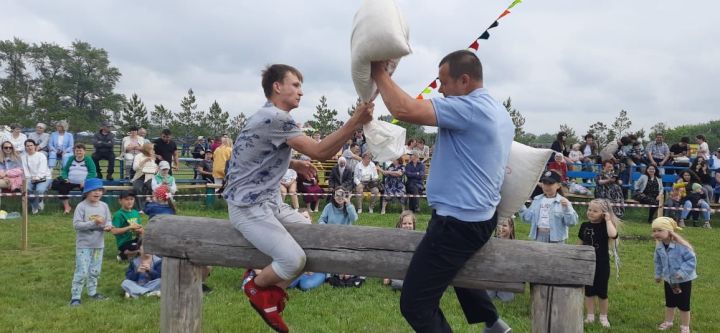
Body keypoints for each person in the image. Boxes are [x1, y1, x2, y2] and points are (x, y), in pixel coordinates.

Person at [371, 50, 513, 332]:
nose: (440, 90)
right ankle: (492, 322)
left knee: (414, 304)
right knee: (454, 267)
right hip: (480, 217)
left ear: (464, 80)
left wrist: (378, 72)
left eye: (443, 83)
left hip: (456, 223)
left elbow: (404, 110)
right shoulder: (498, 110)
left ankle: (492, 322)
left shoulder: (468, 108)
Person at [224, 64, 373, 333]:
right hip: (248, 207)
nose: (301, 92)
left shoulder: (265, 115)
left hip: (269, 202)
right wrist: (355, 122)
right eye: (295, 85)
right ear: (277, 87)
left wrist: (292, 163)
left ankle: (271, 296)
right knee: (292, 261)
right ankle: (255, 287)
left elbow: (255, 156)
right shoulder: (278, 118)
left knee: (311, 237)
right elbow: (320, 152)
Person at [68, 178, 112, 306]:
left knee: (95, 271)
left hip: (98, 245)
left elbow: (108, 220)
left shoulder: (104, 206)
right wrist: (94, 223)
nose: (97, 193)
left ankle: (92, 292)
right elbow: (76, 225)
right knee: (82, 271)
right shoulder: (82, 206)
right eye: (93, 190)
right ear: (86, 192)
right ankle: (76, 296)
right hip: (84, 245)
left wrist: (108, 226)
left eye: (99, 190)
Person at [579, 199, 620, 328]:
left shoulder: (606, 226)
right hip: (586, 263)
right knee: (589, 291)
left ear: (604, 213)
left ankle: (603, 316)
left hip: (601, 263)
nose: (590, 213)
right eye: (589, 209)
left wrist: (608, 220)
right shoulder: (584, 225)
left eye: (595, 211)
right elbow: (580, 242)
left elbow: (613, 235)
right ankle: (590, 315)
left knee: (602, 292)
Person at [652, 217, 697, 333]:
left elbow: (691, 260)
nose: (656, 233)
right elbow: (658, 262)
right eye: (654, 230)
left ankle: (685, 326)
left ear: (669, 231)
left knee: (683, 304)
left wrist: (682, 273)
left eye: (659, 230)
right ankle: (668, 322)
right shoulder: (659, 246)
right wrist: (658, 275)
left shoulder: (681, 246)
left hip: (683, 280)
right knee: (670, 303)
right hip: (669, 280)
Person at [520, 170, 578, 242]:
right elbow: (527, 218)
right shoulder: (537, 200)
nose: (546, 186)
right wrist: (520, 205)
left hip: (557, 239)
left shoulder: (564, 202)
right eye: (544, 183)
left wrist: (567, 209)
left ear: (558, 185)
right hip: (538, 237)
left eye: (550, 183)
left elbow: (571, 223)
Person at [52, 144, 97, 214]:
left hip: (83, 182)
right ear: (74, 151)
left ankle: (83, 209)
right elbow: (65, 170)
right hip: (70, 181)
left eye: (80, 151)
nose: (78, 152)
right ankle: (67, 207)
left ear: (84, 151)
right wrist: (65, 178)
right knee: (62, 187)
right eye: (77, 151)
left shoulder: (88, 159)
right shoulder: (71, 158)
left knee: (88, 190)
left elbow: (93, 172)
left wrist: (85, 181)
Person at [383, 210, 417, 291]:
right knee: (397, 283)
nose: (407, 226)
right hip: (398, 270)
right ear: (400, 225)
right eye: (404, 224)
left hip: (411, 270)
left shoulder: (416, 239)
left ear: (414, 225)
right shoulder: (395, 240)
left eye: (409, 223)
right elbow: (389, 259)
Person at [486, 217, 516, 302]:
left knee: (506, 298)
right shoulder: (491, 242)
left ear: (511, 228)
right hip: (490, 278)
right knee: (487, 296)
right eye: (499, 225)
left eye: (504, 225)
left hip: (506, 280)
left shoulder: (514, 246)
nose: (501, 228)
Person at [21, 139, 53, 214]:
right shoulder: (24, 157)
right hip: (31, 178)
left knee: (39, 190)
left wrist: (37, 177)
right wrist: (29, 179)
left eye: (31, 145)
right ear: (25, 147)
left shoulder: (41, 155)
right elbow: (26, 170)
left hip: (44, 177)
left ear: (35, 146)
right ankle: (35, 205)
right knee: (26, 190)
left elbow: (42, 169)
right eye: (27, 146)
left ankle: (40, 201)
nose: (29, 147)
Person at [111, 191, 144, 261]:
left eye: (131, 199)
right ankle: (124, 254)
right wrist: (130, 227)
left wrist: (140, 230)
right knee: (137, 247)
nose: (129, 202)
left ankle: (129, 255)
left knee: (149, 244)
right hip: (124, 242)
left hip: (135, 240)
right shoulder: (118, 214)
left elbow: (141, 229)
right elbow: (114, 231)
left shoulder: (135, 212)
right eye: (126, 199)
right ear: (120, 201)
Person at [132, 143, 157, 210]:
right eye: (151, 149)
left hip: (150, 177)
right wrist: (144, 161)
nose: (153, 150)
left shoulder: (153, 157)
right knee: (137, 189)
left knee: (153, 187)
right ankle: (141, 209)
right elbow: (135, 168)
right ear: (147, 149)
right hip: (139, 177)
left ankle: (153, 206)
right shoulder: (138, 156)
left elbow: (154, 168)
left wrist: (156, 169)